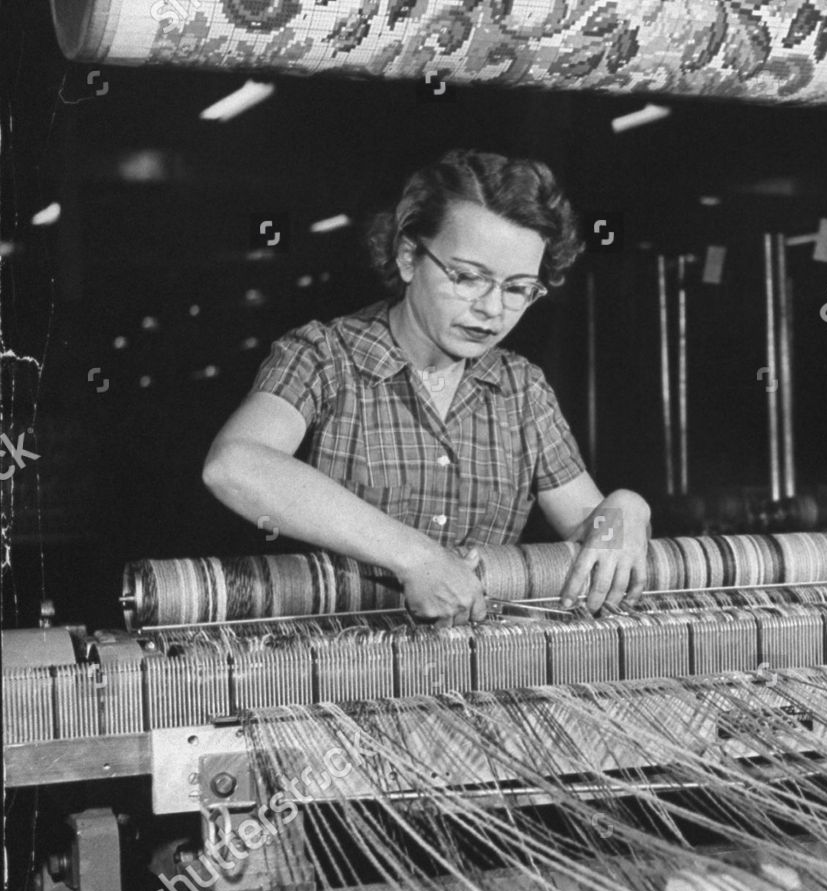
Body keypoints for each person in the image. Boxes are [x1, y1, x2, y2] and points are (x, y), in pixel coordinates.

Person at [203, 149, 651, 626]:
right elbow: (236, 465)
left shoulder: (522, 389)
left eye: (518, 288)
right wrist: (415, 556)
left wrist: (625, 510)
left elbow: (588, 525)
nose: (492, 309)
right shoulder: (321, 357)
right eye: (468, 277)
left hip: (471, 674)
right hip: (331, 669)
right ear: (409, 257)